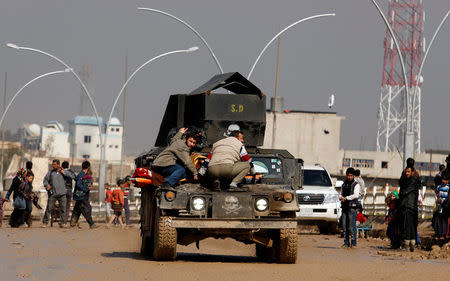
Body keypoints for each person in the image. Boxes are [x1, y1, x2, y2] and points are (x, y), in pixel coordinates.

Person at [398, 158, 421, 252]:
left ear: (410, 171)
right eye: (406, 172)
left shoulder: (411, 179)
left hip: (408, 206)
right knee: (412, 225)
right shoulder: (416, 177)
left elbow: (404, 192)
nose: (407, 173)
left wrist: (402, 194)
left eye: (408, 172)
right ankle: (412, 245)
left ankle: (407, 245)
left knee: (408, 226)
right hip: (413, 206)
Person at [70, 160, 97, 229]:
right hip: (81, 196)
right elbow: (79, 184)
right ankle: (91, 224)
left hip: (80, 196)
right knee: (87, 209)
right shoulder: (82, 175)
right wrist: (86, 189)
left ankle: (73, 222)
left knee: (77, 209)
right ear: (88, 167)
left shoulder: (83, 174)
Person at [339, 167, 361, 248]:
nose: (349, 177)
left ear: (354, 176)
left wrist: (346, 198)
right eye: (348, 175)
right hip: (344, 207)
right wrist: (340, 197)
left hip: (352, 207)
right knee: (344, 226)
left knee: (351, 226)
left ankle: (353, 243)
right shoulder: (344, 184)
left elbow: (356, 195)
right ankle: (346, 242)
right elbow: (340, 193)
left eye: (351, 175)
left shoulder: (356, 184)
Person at [42, 160, 67, 228]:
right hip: (53, 194)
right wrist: (47, 185)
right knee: (49, 208)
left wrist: (64, 173)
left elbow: (72, 176)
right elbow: (45, 180)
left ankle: (63, 222)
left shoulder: (64, 171)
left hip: (62, 194)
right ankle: (45, 222)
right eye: (53, 164)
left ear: (59, 165)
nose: (53, 166)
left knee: (63, 209)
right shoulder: (50, 173)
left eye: (55, 164)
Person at [435, 174, 449, 239]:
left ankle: (444, 233)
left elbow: (449, 197)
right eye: (443, 180)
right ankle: (440, 233)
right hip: (440, 205)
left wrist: (445, 201)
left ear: (448, 180)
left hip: (446, 206)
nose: (443, 181)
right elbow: (437, 195)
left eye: (445, 180)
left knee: (445, 220)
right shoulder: (438, 186)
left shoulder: (449, 187)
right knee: (439, 219)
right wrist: (439, 197)